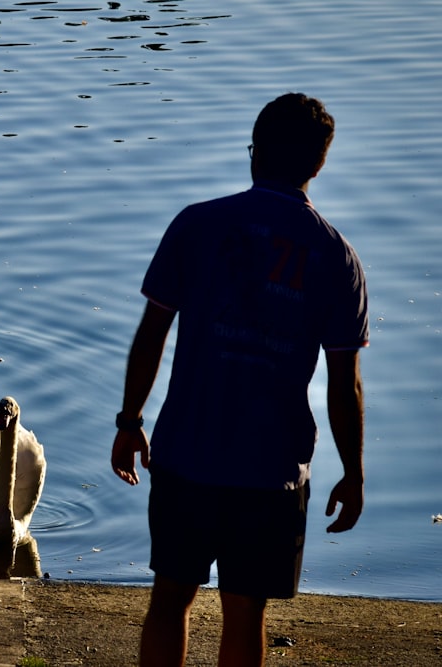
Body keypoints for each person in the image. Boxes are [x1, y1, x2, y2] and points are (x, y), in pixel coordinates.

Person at [110, 93, 368, 666]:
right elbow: (343, 383)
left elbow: (152, 332)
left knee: (170, 598)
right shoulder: (336, 258)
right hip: (271, 472)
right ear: (318, 165)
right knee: (247, 610)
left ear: (255, 153)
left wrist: (131, 421)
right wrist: (352, 472)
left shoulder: (198, 224)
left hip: (185, 456)